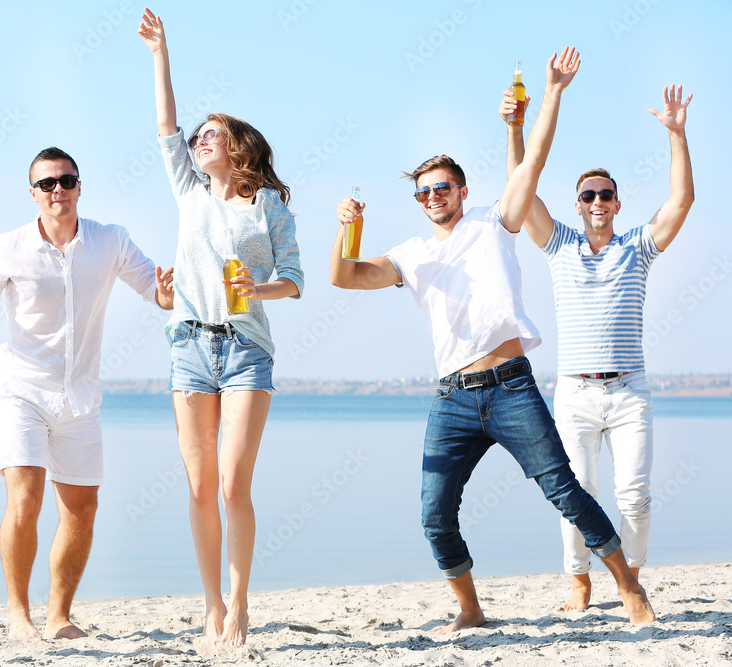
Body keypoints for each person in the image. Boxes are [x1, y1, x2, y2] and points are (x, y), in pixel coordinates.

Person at [331, 48, 655, 632]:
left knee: (566, 491)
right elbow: (344, 276)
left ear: (461, 189)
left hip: (510, 387)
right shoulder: (411, 254)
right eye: (424, 191)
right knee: (434, 515)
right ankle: (472, 610)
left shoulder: (493, 220)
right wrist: (342, 230)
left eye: (443, 187)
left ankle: (628, 586)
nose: (434, 197)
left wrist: (550, 95)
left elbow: (533, 160)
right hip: (451, 398)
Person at [0, 147, 174, 639]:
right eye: (48, 183)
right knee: (25, 498)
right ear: (32, 193)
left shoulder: (111, 240)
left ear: (79, 186)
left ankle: (58, 616)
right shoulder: (7, 247)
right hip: (21, 391)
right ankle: (17, 613)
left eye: (67, 181)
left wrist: (169, 289)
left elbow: (158, 294)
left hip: (81, 398)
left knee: (82, 509)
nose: (59, 190)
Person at [138, 8, 304, 647]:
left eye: (214, 133)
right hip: (188, 345)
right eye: (200, 134)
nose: (200, 139)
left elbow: (293, 279)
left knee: (235, 482)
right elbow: (164, 126)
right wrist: (161, 54)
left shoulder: (269, 208)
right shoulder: (189, 193)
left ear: (241, 150)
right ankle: (210, 603)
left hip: (246, 350)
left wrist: (254, 289)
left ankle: (239, 604)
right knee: (201, 485)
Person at [499, 84, 694, 611]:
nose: (598, 202)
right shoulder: (559, 243)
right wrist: (515, 128)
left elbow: (681, 202)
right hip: (576, 395)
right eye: (588, 195)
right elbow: (522, 185)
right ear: (577, 204)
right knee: (576, 492)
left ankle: (629, 578)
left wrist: (676, 135)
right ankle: (579, 580)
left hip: (629, 391)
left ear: (617, 202)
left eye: (606, 194)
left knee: (635, 494)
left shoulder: (638, 246)